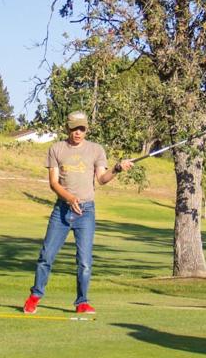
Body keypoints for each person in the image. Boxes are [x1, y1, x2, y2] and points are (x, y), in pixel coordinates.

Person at [22, 111, 132, 315]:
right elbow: (53, 183)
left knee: (84, 261)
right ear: (68, 128)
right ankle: (35, 296)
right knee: (46, 255)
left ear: (86, 129)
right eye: (74, 128)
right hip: (62, 210)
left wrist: (117, 168)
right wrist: (69, 198)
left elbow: (102, 179)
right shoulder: (56, 149)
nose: (78, 132)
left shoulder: (96, 150)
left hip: (86, 211)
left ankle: (82, 302)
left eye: (81, 128)